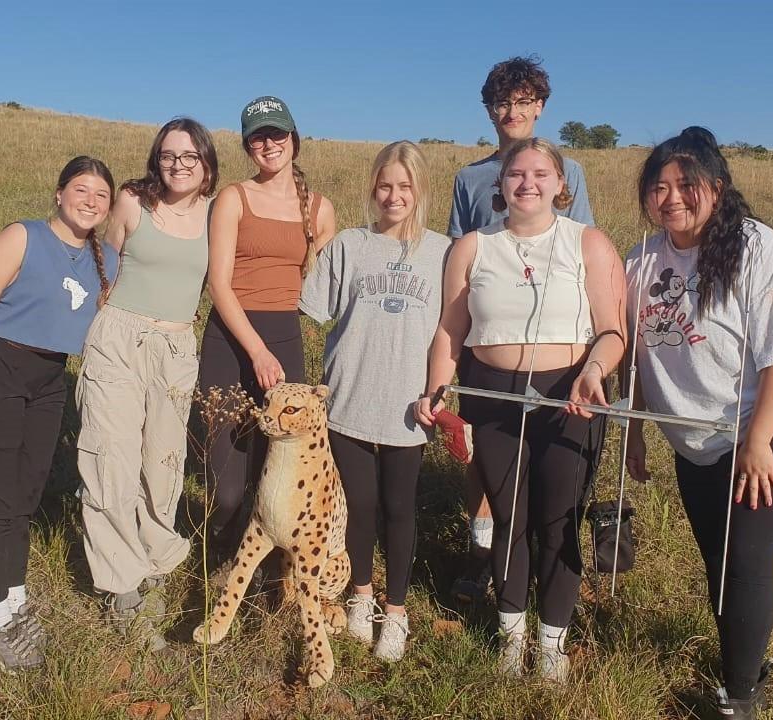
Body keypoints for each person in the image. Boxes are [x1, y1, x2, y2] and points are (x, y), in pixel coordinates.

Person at [624, 127, 773, 719]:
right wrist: (635, 428)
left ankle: (739, 697)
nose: (672, 198)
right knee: (717, 561)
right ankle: (748, 657)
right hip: (695, 438)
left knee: (745, 553)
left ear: (716, 188)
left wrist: (759, 439)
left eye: (686, 185)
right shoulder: (640, 260)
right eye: (658, 187)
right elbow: (633, 352)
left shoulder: (757, 248)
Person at [417, 138, 625, 682]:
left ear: (562, 185)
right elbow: (450, 331)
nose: (527, 182)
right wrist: (437, 391)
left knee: (558, 521)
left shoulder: (590, 243)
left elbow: (612, 331)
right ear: (500, 185)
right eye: (516, 174)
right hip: (493, 393)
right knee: (509, 517)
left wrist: (593, 372)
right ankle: (512, 636)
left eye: (541, 173)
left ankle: (552, 642)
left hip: (570, 396)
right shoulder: (471, 247)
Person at [0, 157, 117, 671]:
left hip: (48, 381)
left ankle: (13, 597)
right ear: (59, 194)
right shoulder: (22, 237)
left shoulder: (103, 257)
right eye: (81, 189)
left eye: (101, 195)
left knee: (24, 490)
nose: (90, 200)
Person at [447, 56, 596, 603]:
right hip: (485, 333)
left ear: (541, 106)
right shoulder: (469, 178)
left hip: (555, 338)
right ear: (489, 110)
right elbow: (453, 261)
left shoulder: (569, 172)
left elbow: (584, 248)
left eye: (525, 101)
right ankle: (482, 552)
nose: (514, 112)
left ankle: (544, 563)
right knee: (482, 455)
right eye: (503, 103)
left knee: (552, 456)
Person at [299, 141, 450, 662]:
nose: (394, 195)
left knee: (399, 509)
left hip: (410, 406)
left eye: (404, 186)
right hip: (349, 400)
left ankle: (398, 610)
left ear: (419, 191)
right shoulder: (347, 245)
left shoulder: (443, 252)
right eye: (385, 185)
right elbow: (310, 306)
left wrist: (439, 390)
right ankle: (361, 596)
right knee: (359, 507)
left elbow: (452, 333)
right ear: (372, 189)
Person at [75, 118, 218, 652]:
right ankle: (122, 585)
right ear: (156, 160)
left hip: (178, 348)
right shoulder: (134, 202)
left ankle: (156, 556)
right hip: (119, 338)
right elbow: (102, 264)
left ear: (206, 161)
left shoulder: (217, 212)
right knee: (110, 457)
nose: (177, 164)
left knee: (163, 461)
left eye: (187, 155)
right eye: (167, 155)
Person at [200, 96, 336, 576]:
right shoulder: (233, 199)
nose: (269, 143)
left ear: (294, 140)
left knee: (276, 463)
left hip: (285, 338)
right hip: (230, 337)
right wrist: (255, 350)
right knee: (227, 476)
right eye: (258, 136)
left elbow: (326, 284)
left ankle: (260, 563)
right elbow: (218, 284)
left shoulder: (318, 210)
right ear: (247, 145)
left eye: (277, 133)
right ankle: (222, 545)